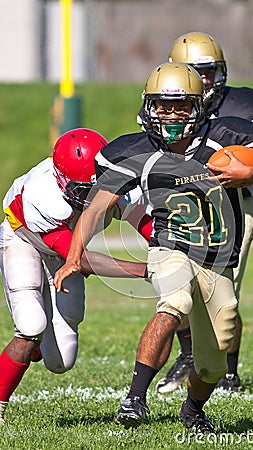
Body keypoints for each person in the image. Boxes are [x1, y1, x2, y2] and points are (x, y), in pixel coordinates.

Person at [54, 62, 253, 434]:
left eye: (181, 107)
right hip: (170, 246)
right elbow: (97, 207)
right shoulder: (135, 150)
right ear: (148, 106)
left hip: (217, 258)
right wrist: (73, 258)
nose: (171, 115)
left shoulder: (226, 136)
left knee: (213, 362)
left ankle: (193, 409)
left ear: (199, 107)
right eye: (163, 106)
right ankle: (134, 398)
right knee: (174, 302)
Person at [0, 128, 149, 426]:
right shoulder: (44, 197)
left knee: (61, 361)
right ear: (62, 181)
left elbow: (141, 218)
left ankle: (35, 348)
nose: (94, 195)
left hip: (64, 251)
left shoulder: (111, 179)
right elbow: (78, 260)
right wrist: (144, 270)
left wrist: (167, 246)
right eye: (85, 190)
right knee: (31, 325)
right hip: (23, 241)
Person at [152, 31, 253, 394]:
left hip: (232, 208)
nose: (203, 80)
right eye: (194, 72)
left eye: (208, 71)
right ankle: (189, 355)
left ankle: (229, 373)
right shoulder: (168, 102)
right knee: (179, 288)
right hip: (182, 208)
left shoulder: (243, 106)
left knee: (226, 294)